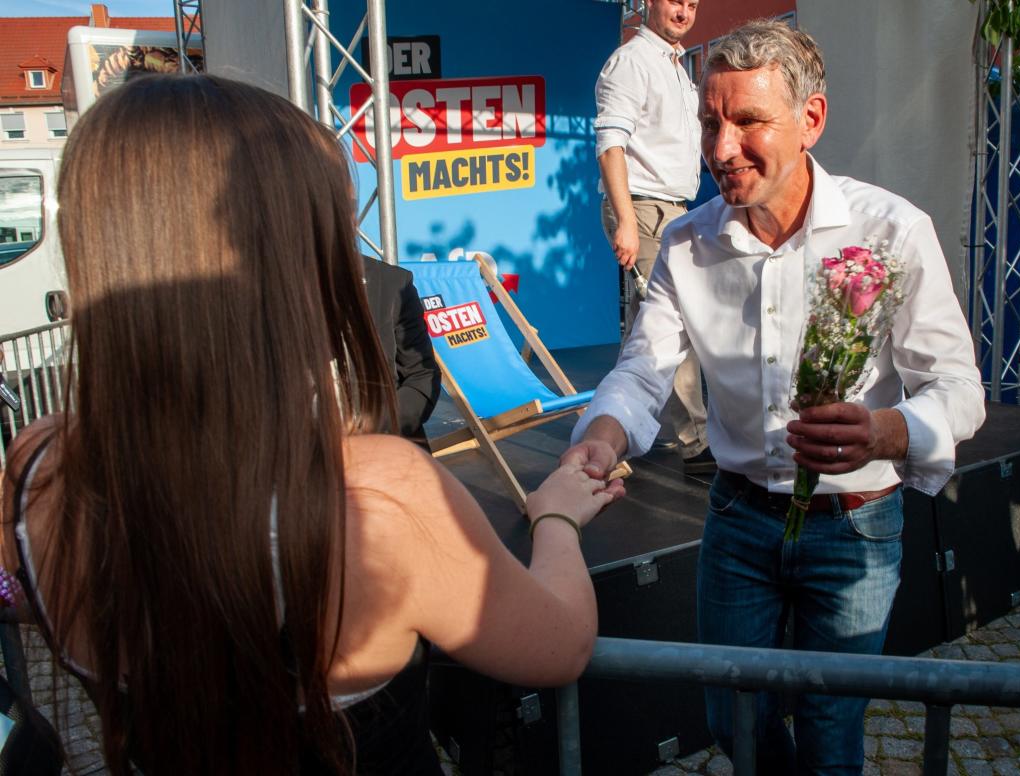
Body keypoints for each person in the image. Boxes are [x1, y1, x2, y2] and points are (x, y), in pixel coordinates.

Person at [0, 74, 621, 776]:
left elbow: (22, 598)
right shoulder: (376, 497)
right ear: (287, 258)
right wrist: (555, 517)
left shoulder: (37, 469)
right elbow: (558, 644)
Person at [561, 21, 985, 773]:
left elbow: (957, 390)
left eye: (748, 121)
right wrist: (601, 436)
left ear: (811, 120)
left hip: (855, 526)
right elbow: (640, 371)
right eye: (708, 122)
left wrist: (887, 431)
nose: (721, 149)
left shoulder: (891, 229)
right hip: (737, 521)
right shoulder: (688, 246)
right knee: (731, 719)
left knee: (830, 731)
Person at [595, 0, 713, 473]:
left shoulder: (677, 66)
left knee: (649, 328)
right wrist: (626, 219)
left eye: (692, 3)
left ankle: (613, 421)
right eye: (674, 1)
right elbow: (611, 145)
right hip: (644, 209)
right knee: (674, 324)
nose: (684, 11)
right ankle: (697, 442)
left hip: (675, 210)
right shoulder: (631, 62)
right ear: (649, 3)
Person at [362, 257, 441, 446]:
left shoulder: (392, 281)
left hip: (385, 445)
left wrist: (372, 426)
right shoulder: (281, 283)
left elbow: (422, 375)